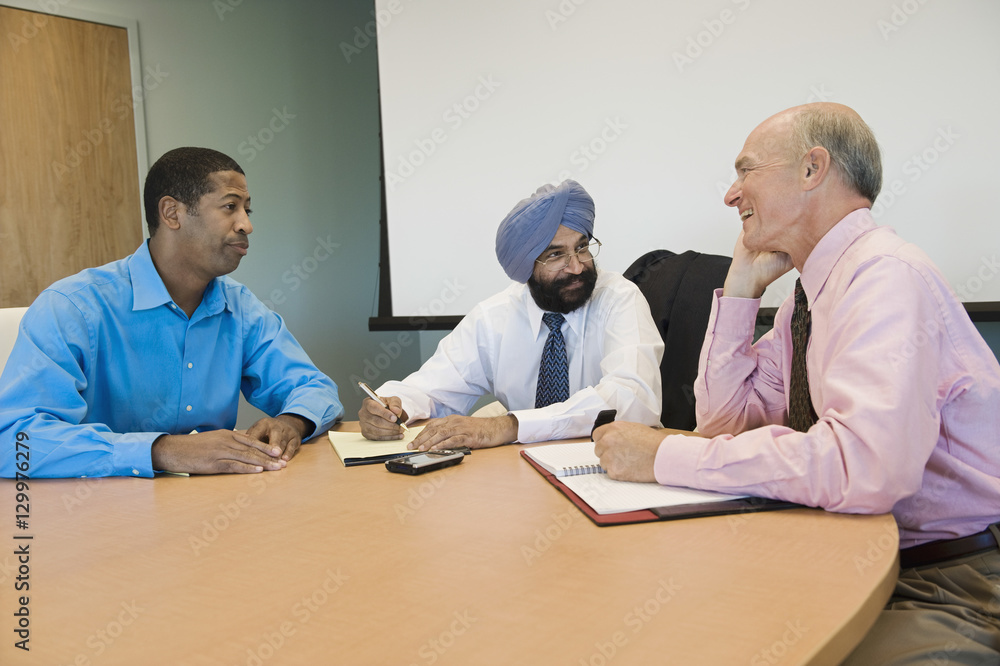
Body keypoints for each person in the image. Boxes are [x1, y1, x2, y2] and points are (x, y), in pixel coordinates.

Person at [593, 103, 1000, 663]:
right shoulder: (809, 300)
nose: (731, 195)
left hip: (951, 577)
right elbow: (725, 422)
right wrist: (740, 291)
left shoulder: (886, 278)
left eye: (746, 170)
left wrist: (664, 456)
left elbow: (864, 467)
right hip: (860, 553)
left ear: (812, 169)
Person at [0, 147, 343, 478]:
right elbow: (15, 440)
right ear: (172, 213)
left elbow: (314, 388)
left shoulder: (240, 307)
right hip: (98, 518)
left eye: (247, 210)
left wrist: (291, 422)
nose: (246, 225)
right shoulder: (72, 307)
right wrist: (162, 450)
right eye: (229, 207)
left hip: (213, 511)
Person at [359, 179, 663, 451]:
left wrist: (512, 425)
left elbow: (632, 398)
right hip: (526, 478)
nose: (577, 266)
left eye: (582, 247)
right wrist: (393, 408)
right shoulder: (494, 318)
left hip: (619, 469)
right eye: (556, 255)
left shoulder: (620, 299)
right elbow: (431, 389)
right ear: (525, 266)